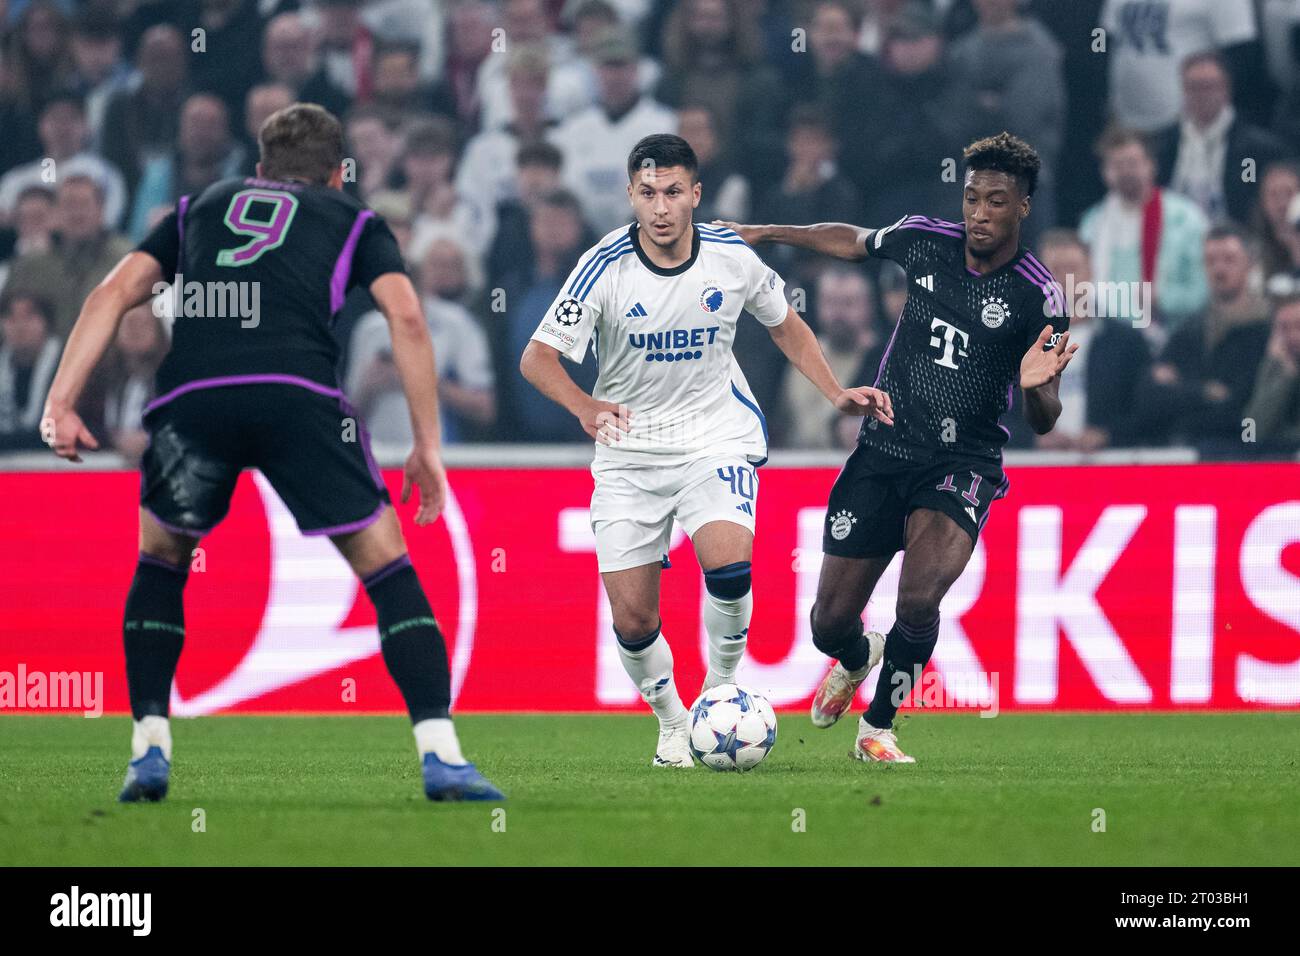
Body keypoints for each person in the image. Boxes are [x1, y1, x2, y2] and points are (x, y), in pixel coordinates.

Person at [40, 103, 503, 804]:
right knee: (387, 570)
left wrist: (60, 403)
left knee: (163, 562)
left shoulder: (201, 205)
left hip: (194, 398)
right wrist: (427, 445)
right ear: (337, 173)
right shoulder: (355, 219)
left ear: (259, 171)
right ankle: (440, 755)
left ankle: (149, 749)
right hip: (298, 396)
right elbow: (406, 315)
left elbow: (114, 293)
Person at [520, 134, 890, 767]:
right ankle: (671, 721)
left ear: (695, 194)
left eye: (672, 192)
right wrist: (585, 407)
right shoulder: (603, 265)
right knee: (634, 621)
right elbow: (537, 358)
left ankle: (720, 690)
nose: (660, 207)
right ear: (631, 197)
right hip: (629, 451)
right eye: (646, 194)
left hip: (714, 434)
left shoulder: (730, 256)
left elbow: (785, 323)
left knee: (729, 567)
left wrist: (833, 392)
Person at [720, 132, 1076, 763]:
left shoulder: (1038, 295)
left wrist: (1038, 388)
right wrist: (767, 230)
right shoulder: (925, 240)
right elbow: (853, 241)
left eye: (996, 202)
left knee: (918, 599)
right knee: (828, 624)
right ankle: (857, 660)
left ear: (1022, 206)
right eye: (971, 199)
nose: (979, 214)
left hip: (962, 463)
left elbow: (1044, 419)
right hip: (884, 450)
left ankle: (878, 726)